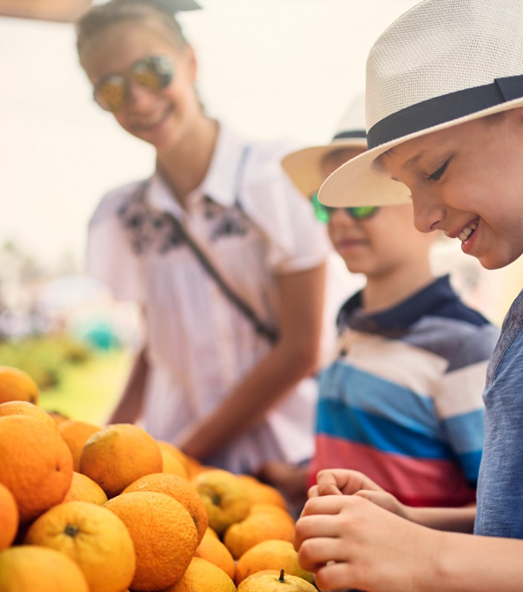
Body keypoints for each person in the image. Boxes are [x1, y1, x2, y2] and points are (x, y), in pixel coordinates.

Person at [293, 1, 523, 591]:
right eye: (406, 188)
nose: (421, 218)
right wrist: (413, 525)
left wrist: (429, 561)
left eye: (436, 169)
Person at [77, 0, 332, 473]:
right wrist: (97, 447)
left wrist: (186, 453)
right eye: (110, 90)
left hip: (282, 461)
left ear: (190, 62)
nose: (137, 99)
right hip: (175, 461)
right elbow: (155, 346)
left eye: (150, 71)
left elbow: (301, 348)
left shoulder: (277, 176)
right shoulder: (126, 215)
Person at [259, 96, 498, 511]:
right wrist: (301, 479)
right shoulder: (350, 327)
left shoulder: (465, 347)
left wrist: (403, 531)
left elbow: (500, 507)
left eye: (361, 201)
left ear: (429, 204)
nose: (339, 219)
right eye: (326, 203)